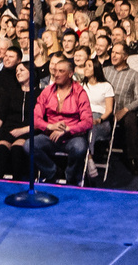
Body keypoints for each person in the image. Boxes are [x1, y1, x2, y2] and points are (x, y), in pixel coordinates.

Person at [26, 55, 96, 183]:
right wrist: (50, 126)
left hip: (72, 137)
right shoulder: (47, 92)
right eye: (55, 71)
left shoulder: (80, 93)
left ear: (70, 74)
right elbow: (35, 118)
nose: (56, 74)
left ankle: (71, 179)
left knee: (80, 147)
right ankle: (53, 172)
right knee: (28, 145)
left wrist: (67, 130)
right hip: (50, 135)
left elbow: (88, 122)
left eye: (61, 71)